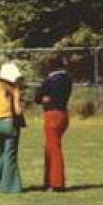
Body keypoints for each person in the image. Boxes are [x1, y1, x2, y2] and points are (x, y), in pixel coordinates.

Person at [35, 54, 72, 192]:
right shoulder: (67, 79)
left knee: (53, 149)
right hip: (63, 114)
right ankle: (50, 181)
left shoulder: (50, 80)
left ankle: (56, 183)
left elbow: (38, 98)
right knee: (52, 147)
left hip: (52, 115)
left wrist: (45, 98)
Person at [0, 61, 25, 193]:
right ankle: (9, 186)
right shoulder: (14, 91)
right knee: (10, 155)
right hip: (9, 123)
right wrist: (18, 99)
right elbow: (18, 111)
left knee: (1, 154)